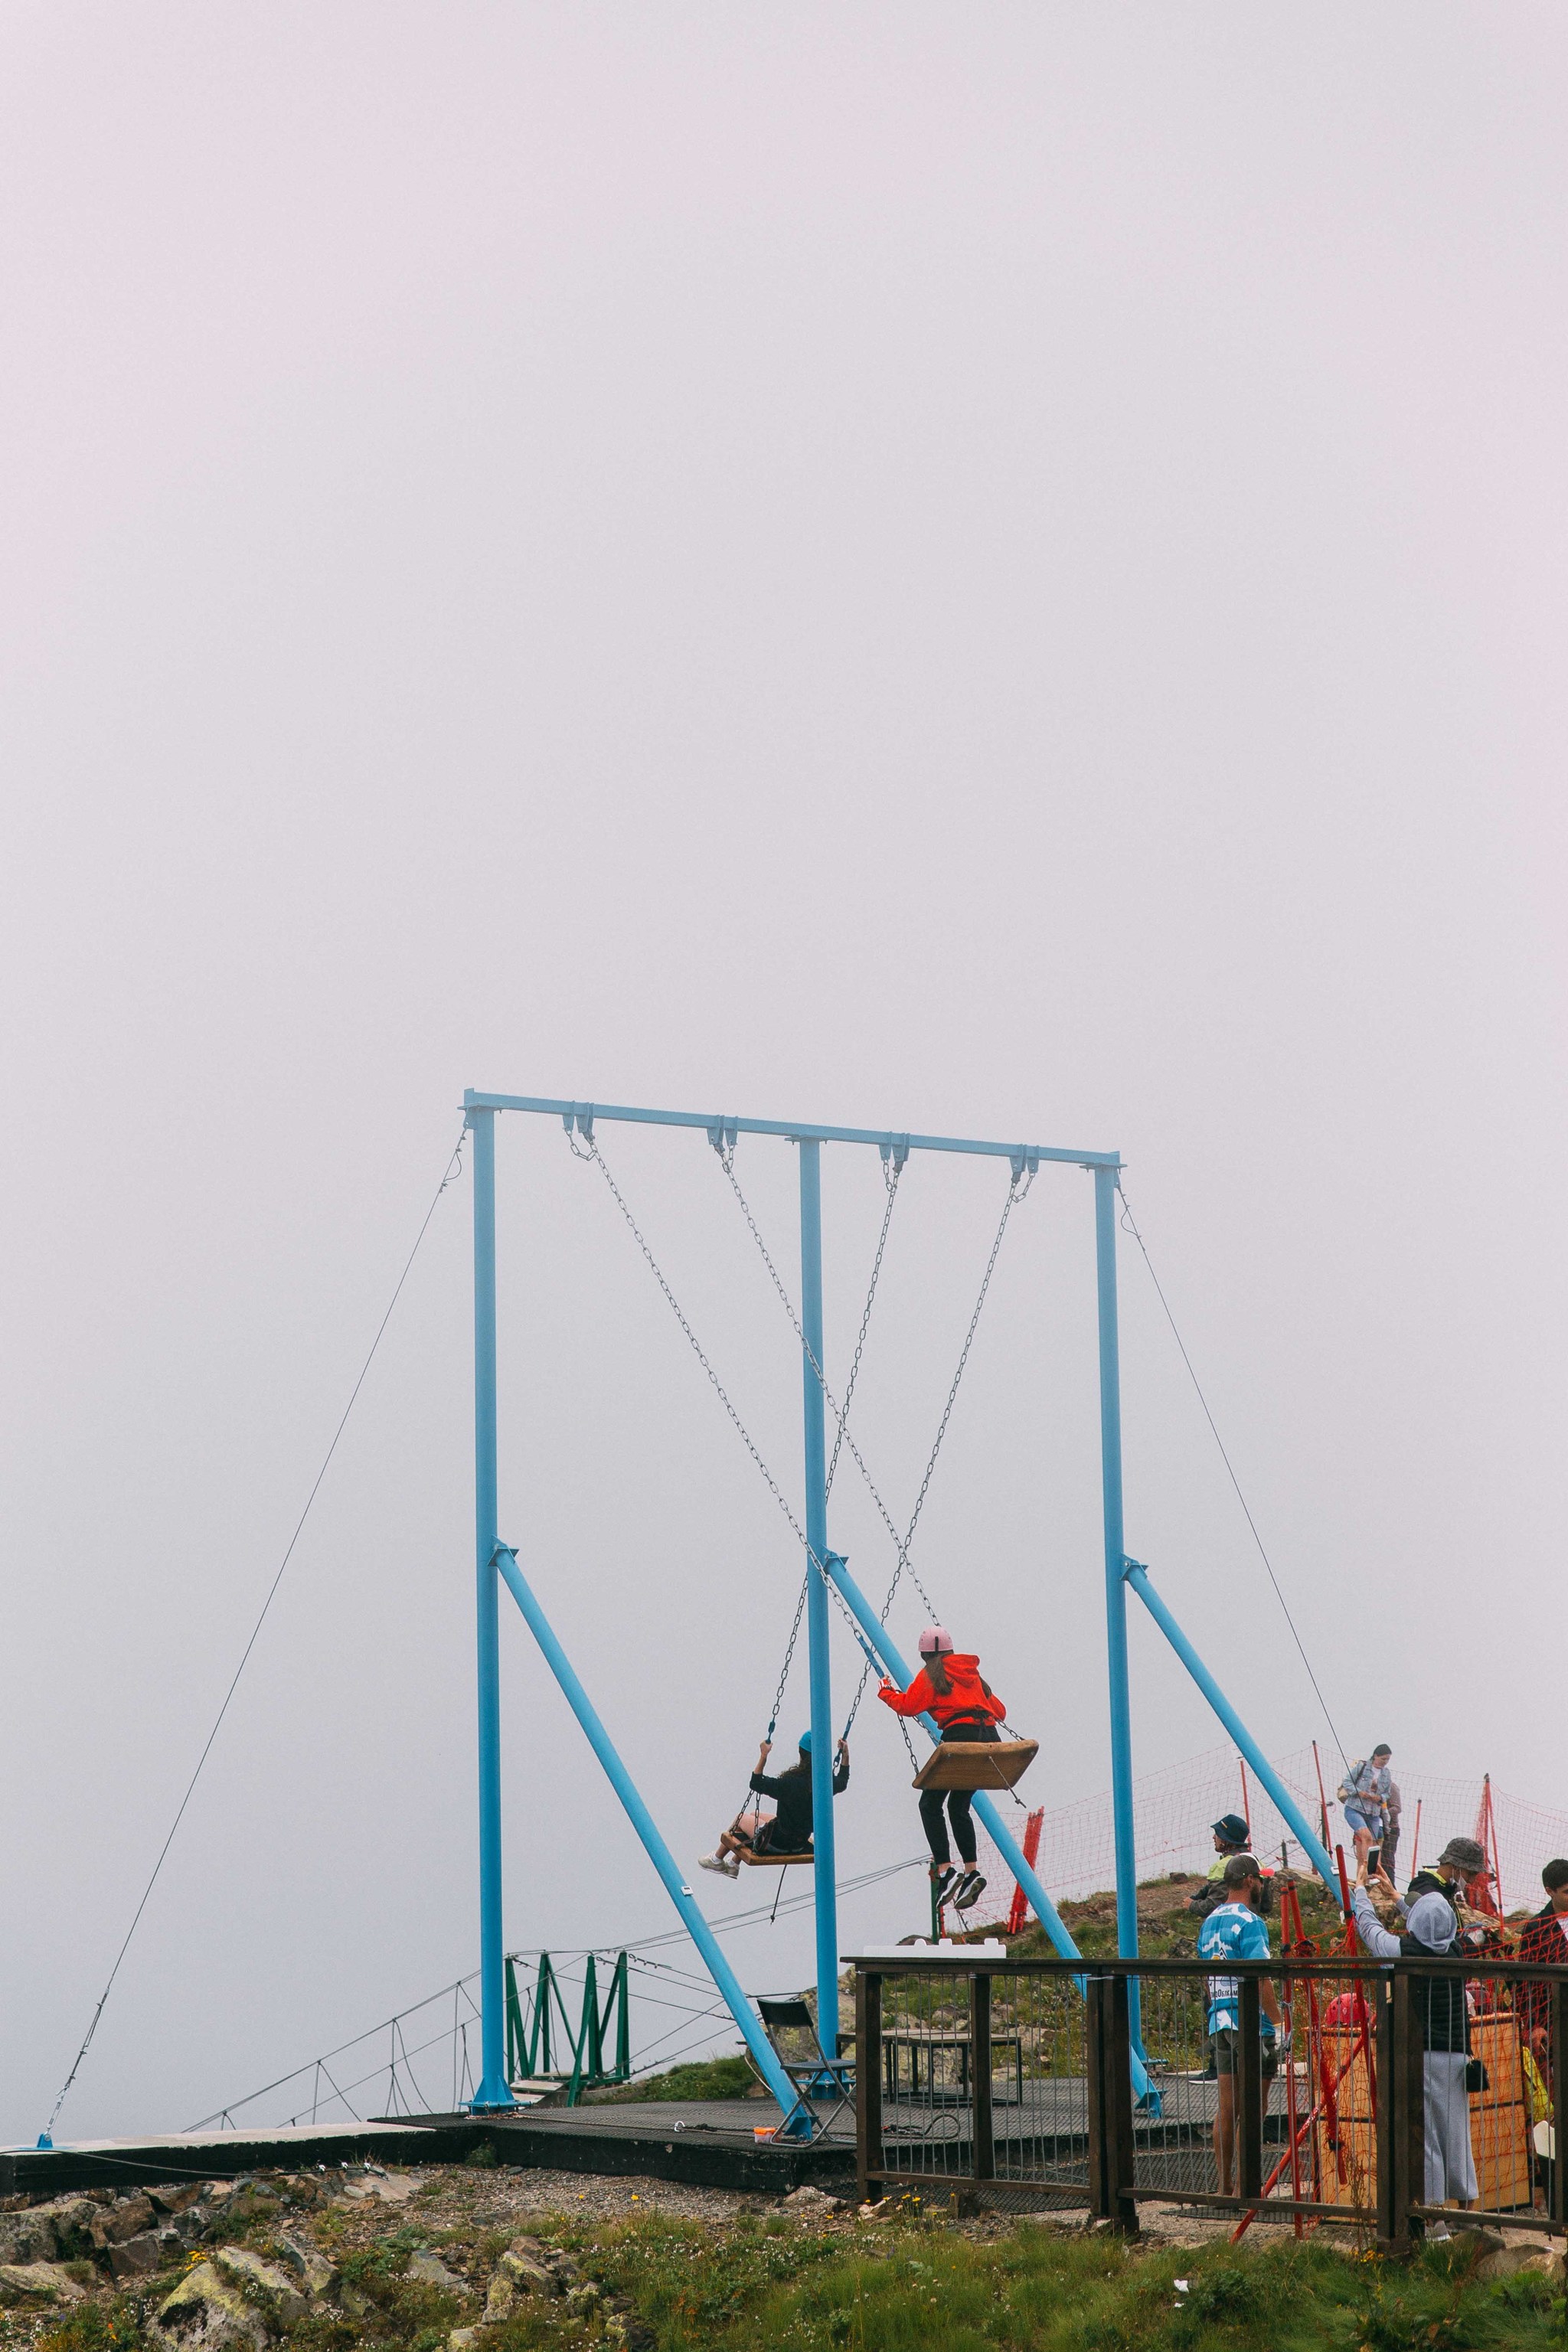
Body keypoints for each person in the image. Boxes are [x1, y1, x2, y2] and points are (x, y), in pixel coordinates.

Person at [879, 1626, 1005, 1911]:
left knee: (929, 1804)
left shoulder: (930, 1675)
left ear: (924, 1655)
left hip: (960, 1740)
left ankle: (946, 1870)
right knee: (958, 1806)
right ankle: (972, 1871)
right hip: (989, 1741)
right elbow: (1000, 1711)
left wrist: (886, 1692)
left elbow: (908, 1706)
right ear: (951, 1649)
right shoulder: (973, 1674)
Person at [1197, 1854, 1288, 2197]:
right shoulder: (1251, 1923)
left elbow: (1206, 1977)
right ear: (1250, 1881)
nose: (1263, 1885)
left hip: (1219, 2020)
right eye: (1260, 1879)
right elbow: (1261, 1977)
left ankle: (1225, 2188)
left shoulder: (1209, 1923)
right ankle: (1246, 2190)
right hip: (1251, 2025)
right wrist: (1278, 2024)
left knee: (1227, 2108)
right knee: (1254, 2108)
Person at [697, 1729, 848, 1878]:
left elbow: (756, 1783)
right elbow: (843, 1781)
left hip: (777, 1844)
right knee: (755, 1815)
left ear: (801, 1753)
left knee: (741, 1818)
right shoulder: (826, 1783)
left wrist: (763, 1755)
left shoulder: (790, 1782)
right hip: (800, 1843)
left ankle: (717, 1859)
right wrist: (845, 1754)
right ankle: (733, 1864)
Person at [1514, 1858, 1568, 2069]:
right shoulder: (1536, 1928)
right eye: (1566, 1892)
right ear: (1549, 1891)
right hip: (1555, 2023)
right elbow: (1526, 1982)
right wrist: (1534, 2024)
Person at [1187, 1814, 1254, 1920]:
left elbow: (1213, 1907)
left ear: (1226, 1839)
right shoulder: (1258, 1863)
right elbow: (1266, 1906)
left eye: (1218, 1834)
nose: (1214, 1837)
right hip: (1254, 1922)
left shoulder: (1221, 1866)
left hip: (1228, 1924)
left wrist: (1191, 1905)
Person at [1339, 1746, 1393, 1873]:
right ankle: (1367, 1870)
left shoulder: (1386, 1773)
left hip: (1374, 1813)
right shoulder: (1362, 1767)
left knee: (1372, 1845)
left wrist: (1380, 1797)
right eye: (1383, 1759)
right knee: (1366, 1836)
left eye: (1388, 1759)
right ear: (1376, 1756)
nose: (1385, 1762)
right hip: (1355, 1809)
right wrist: (1359, 1792)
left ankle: (1367, 1874)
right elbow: (1347, 1782)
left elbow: (1388, 1793)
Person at [1380, 1779, 1403, 1887]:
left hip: (1391, 1829)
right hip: (1377, 1828)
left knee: (1387, 1860)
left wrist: (1381, 1814)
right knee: (1376, 1858)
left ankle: (1391, 1886)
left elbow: (1397, 1808)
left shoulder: (1391, 1786)